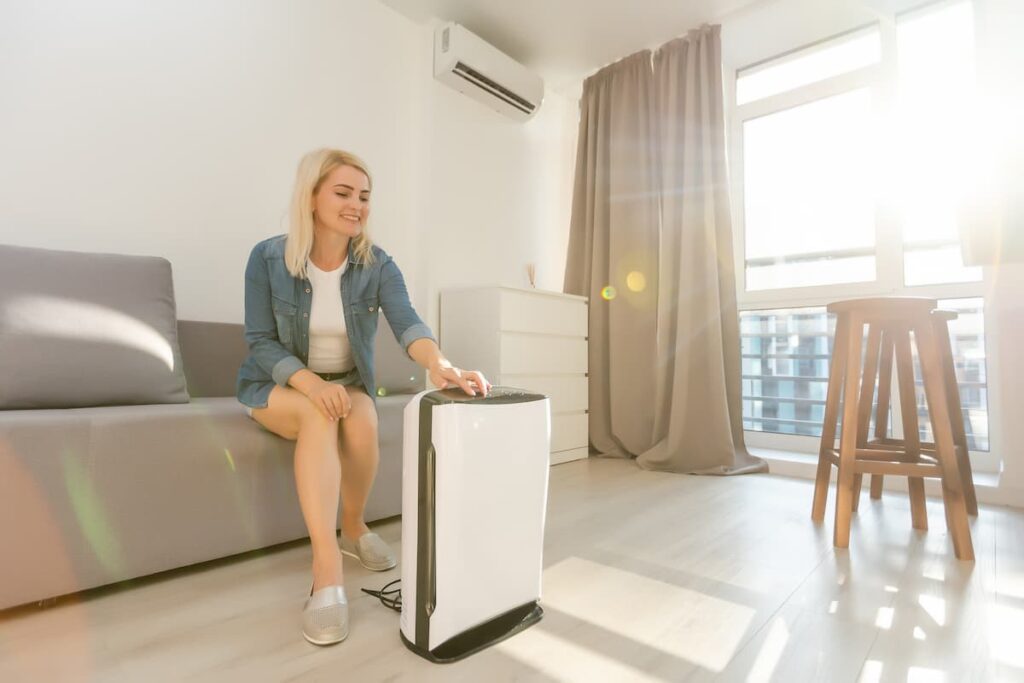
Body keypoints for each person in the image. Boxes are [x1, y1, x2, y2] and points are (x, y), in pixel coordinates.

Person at [236, 148, 490, 646]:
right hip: (280, 385)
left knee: (363, 420)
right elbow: (260, 341)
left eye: (365, 196)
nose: (357, 204)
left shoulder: (375, 264)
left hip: (347, 381)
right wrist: (310, 383)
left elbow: (407, 322)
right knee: (318, 415)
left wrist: (439, 364)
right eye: (343, 192)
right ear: (311, 196)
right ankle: (326, 571)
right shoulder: (267, 257)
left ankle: (353, 526)